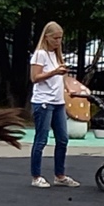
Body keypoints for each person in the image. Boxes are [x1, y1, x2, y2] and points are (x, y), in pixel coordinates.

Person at [28, 22, 78, 189]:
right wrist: (54, 72)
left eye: (60, 38)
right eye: (55, 38)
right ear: (47, 37)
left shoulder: (57, 55)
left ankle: (60, 174)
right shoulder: (40, 54)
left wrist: (69, 88)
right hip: (43, 100)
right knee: (41, 139)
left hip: (58, 102)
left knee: (63, 139)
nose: (58, 41)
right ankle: (36, 175)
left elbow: (61, 78)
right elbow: (35, 77)